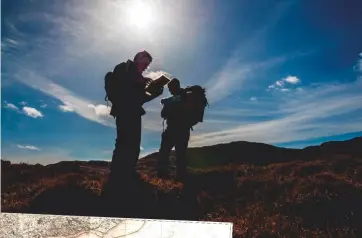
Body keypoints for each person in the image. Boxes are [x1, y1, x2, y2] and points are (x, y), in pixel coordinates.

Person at [104, 51, 164, 202]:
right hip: (124, 110)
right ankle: (117, 174)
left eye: (148, 63)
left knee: (134, 143)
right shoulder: (123, 68)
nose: (146, 65)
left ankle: (129, 172)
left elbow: (142, 98)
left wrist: (157, 90)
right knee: (124, 141)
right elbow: (123, 86)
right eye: (145, 60)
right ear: (137, 58)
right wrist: (139, 82)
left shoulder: (140, 78)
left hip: (135, 112)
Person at [157, 78, 191, 182]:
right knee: (181, 155)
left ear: (174, 87)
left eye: (170, 88)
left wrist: (168, 106)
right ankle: (180, 179)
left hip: (172, 130)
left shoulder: (173, 100)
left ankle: (162, 178)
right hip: (184, 130)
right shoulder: (187, 96)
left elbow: (163, 114)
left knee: (164, 153)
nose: (170, 90)